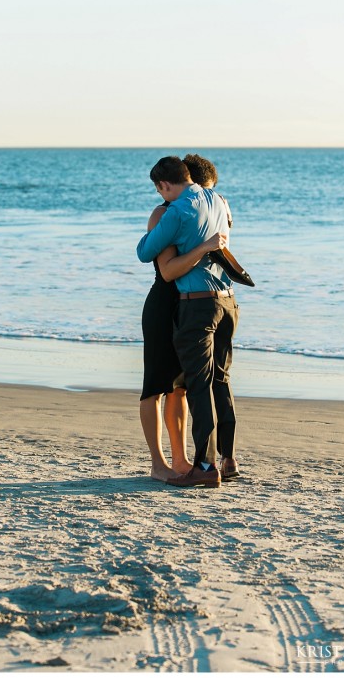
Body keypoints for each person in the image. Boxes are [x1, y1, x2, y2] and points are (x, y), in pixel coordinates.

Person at [137, 156, 240, 489]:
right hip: (166, 304)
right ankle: (159, 463)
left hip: (191, 304)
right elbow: (163, 267)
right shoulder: (166, 213)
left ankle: (185, 460)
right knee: (156, 387)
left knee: (182, 388)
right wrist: (206, 246)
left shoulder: (202, 207)